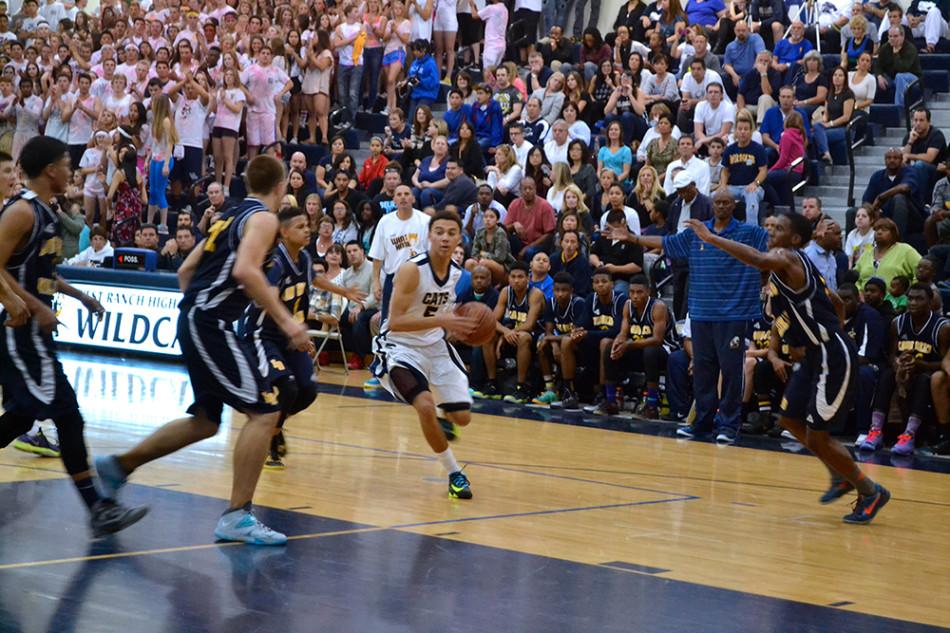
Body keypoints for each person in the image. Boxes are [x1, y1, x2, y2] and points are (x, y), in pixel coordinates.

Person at [93, 156, 313, 545]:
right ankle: (237, 515)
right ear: (282, 188)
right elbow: (247, 271)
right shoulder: (263, 219)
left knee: (206, 421)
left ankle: (118, 466)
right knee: (265, 410)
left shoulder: (227, 216)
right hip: (211, 324)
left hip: (199, 320)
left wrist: (196, 311)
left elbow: (185, 273)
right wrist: (287, 321)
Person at [686, 211, 891, 523]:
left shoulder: (786, 257)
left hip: (830, 355)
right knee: (790, 419)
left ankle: (869, 490)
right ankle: (839, 475)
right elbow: (835, 300)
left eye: (778, 228)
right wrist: (802, 336)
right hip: (812, 354)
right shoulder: (792, 268)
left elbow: (757, 259)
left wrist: (711, 238)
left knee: (818, 434)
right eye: (769, 225)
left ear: (795, 239)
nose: (770, 231)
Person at [0, 136, 147, 537]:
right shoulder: (22, 212)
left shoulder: (45, 212)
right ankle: (98, 507)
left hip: (32, 332)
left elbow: (43, 274)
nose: (73, 170)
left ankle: (98, 507)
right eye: (68, 163)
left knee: (24, 414)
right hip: (19, 333)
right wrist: (29, 305)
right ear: (50, 170)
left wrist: (80, 296)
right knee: (67, 413)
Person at [617, 190, 768, 443]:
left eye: (726, 203)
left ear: (734, 206)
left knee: (731, 372)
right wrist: (633, 238)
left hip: (733, 315)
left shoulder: (750, 233)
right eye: (717, 202)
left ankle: (729, 425)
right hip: (700, 313)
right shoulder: (696, 231)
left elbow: (775, 246)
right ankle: (702, 423)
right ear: (711, 205)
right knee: (703, 371)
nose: (720, 206)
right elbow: (667, 243)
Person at [370, 210, 477, 497]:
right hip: (400, 347)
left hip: (436, 346)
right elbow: (395, 322)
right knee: (425, 405)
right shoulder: (411, 269)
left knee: (462, 418)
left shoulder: (458, 275)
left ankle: (445, 414)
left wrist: (457, 323)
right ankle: (455, 474)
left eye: (451, 233)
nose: (444, 237)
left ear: (459, 238)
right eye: (439, 232)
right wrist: (444, 321)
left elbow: (442, 313)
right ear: (429, 236)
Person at [239, 206, 320, 469]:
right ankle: (270, 433)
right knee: (287, 387)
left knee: (307, 391)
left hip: (289, 334)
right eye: (300, 226)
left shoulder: (306, 259)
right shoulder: (275, 261)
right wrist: (295, 331)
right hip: (263, 334)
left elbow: (307, 291)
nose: (307, 229)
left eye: (308, 225)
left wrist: (343, 291)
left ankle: (274, 425)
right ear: (283, 233)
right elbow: (269, 301)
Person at [863, 284, 949, 454]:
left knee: (923, 380)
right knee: (887, 374)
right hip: (904, 370)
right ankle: (876, 431)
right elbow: (891, 355)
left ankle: (910, 434)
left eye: (919, 299)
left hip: (927, 373)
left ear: (930, 301)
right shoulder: (898, 323)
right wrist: (898, 365)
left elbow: (944, 363)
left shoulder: (943, 328)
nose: (913, 303)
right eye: (910, 298)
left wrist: (920, 365)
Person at [364, 185, 431, 389]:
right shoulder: (386, 221)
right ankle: (380, 369)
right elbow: (377, 256)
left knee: (420, 328)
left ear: (413, 198)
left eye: (406, 194)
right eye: (399, 195)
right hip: (393, 280)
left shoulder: (424, 221)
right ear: (393, 200)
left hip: (419, 280)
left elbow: (432, 255)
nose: (402, 197)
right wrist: (376, 281)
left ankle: (419, 373)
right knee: (387, 327)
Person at [600, 274, 681, 417]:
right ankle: (611, 401)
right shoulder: (628, 305)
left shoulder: (658, 307)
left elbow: (657, 339)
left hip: (665, 351)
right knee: (609, 347)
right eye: (631, 292)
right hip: (639, 349)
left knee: (650, 351)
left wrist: (628, 345)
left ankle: (651, 405)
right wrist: (618, 342)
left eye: (639, 292)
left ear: (648, 292)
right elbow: (623, 333)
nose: (635, 296)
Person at [477, 261, 545, 402]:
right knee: (488, 335)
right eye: (513, 276)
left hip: (534, 336)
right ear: (508, 278)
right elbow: (492, 320)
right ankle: (492, 384)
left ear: (528, 278)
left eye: (520, 277)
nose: (516, 280)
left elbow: (530, 324)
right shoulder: (505, 292)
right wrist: (505, 332)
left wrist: (506, 333)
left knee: (524, 337)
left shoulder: (535, 294)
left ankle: (521, 387)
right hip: (512, 334)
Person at [533, 272, 588, 406]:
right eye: (557, 290)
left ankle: (570, 391)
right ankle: (550, 389)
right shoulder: (550, 303)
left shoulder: (578, 303)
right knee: (542, 343)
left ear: (571, 291)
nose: (560, 294)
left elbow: (574, 334)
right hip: (560, 341)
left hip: (581, 345)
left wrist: (554, 340)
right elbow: (548, 331)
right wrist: (554, 344)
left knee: (566, 342)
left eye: (564, 290)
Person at [862, 149, 925, 243]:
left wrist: (881, 197)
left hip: (911, 216)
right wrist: (873, 210)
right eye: (888, 158)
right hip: (884, 215)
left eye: (895, 158)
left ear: (901, 160)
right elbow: (866, 201)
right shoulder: (877, 176)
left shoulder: (910, 171)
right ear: (884, 160)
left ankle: (897, 242)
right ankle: (853, 248)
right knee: (852, 212)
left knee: (899, 198)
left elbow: (904, 187)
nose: (892, 160)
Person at [719, 112, 768, 225]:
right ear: (736, 131)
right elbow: (725, 171)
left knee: (752, 196)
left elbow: (763, 171)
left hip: (753, 187)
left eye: (746, 129)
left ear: (751, 131)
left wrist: (755, 183)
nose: (742, 132)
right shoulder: (730, 149)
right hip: (733, 187)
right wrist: (723, 186)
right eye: (740, 129)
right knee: (713, 197)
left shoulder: (758, 149)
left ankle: (751, 231)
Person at [877, 26, 922, 107]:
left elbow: (902, 68)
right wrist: (879, 76)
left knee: (899, 77)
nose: (892, 39)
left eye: (895, 36)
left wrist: (896, 54)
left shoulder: (910, 48)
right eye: (890, 36)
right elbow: (878, 65)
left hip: (913, 78)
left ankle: (899, 108)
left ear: (902, 36)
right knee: (874, 79)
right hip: (892, 77)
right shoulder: (885, 47)